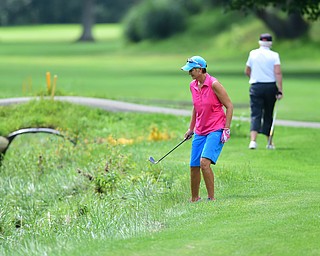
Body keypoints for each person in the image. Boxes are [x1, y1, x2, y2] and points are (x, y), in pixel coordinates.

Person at [181, 56, 233, 202]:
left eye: (191, 70)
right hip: (200, 130)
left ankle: (211, 198)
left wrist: (226, 129)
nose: (189, 72)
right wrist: (191, 128)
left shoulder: (214, 84)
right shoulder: (193, 85)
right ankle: (194, 199)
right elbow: (196, 107)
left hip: (216, 128)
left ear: (200, 69)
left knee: (204, 163)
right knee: (194, 165)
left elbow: (229, 106)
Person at [245, 33, 283, 150]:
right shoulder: (274, 55)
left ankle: (253, 141)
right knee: (268, 114)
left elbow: (247, 70)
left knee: (256, 113)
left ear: (260, 42)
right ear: (270, 43)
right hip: (270, 87)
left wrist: (254, 78)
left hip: (256, 86)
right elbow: (277, 72)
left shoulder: (253, 53)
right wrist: (280, 89)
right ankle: (270, 142)